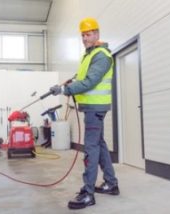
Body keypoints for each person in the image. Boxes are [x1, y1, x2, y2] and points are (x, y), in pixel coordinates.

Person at [50, 17, 119, 210]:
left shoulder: (102, 55)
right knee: (100, 144)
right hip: (92, 108)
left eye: (88, 34)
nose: (85, 38)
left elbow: (90, 82)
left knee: (90, 148)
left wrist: (65, 90)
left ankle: (88, 193)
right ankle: (111, 184)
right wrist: (69, 82)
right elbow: (82, 77)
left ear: (97, 34)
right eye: (82, 35)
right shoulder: (89, 55)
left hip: (95, 109)